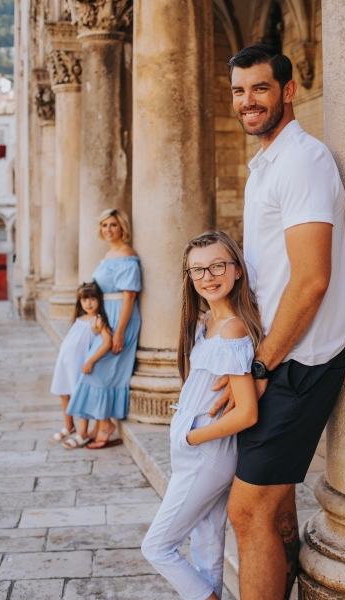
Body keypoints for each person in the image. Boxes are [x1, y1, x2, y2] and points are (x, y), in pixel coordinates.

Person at [209, 44, 345, 600]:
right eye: (240, 90)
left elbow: (311, 279)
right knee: (276, 507)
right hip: (272, 355)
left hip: (298, 363)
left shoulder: (303, 161)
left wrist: (264, 364)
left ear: (288, 91)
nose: (248, 101)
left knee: (247, 512)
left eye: (260, 88)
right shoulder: (267, 162)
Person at [142, 230, 263, 600]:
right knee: (207, 549)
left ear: (237, 270)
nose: (208, 277)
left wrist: (192, 436)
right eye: (198, 270)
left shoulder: (232, 330)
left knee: (157, 547)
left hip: (205, 454)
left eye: (217, 266)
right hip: (197, 452)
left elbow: (246, 413)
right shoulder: (207, 322)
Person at [66, 208, 141, 450]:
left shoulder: (127, 255)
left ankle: (106, 426)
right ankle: (102, 424)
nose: (108, 230)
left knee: (100, 368)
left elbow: (129, 297)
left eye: (113, 225)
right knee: (93, 369)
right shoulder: (108, 255)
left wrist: (119, 331)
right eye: (104, 226)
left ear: (122, 228)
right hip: (107, 316)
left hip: (122, 318)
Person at [50, 281, 112, 448]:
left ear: (99, 300)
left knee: (79, 397)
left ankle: (83, 432)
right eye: (85, 300)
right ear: (80, 302)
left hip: (80, 364)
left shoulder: (98, 321)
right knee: (63, 393)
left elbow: (107, 342)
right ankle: (69, 426)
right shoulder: (78, 319)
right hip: (65, 362)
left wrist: (91, 360)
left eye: (92, 299)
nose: (89, 303)